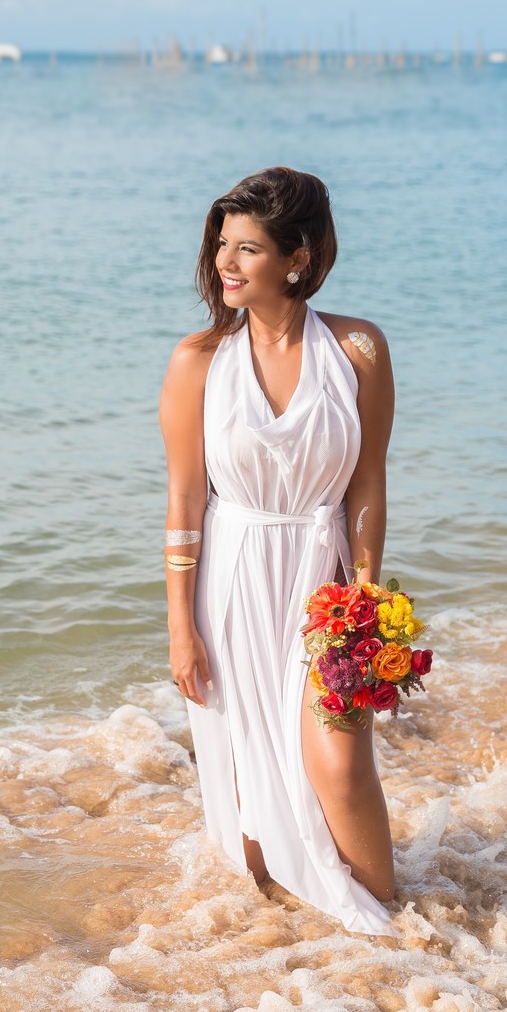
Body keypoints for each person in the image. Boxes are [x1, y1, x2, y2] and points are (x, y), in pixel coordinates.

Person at [158, 167, 398, 937]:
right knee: (252, 833)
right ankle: (291, 953)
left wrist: (365, 596)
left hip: (320, 576)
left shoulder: (357, 349)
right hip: (231, 579)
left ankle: (400, 927)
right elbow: (185, 502)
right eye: (222, 245)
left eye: (248, 249)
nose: (226, 263)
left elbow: (367, 484)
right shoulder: (198, 360)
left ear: (297, 257)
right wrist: (179, 626)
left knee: (340, 763)